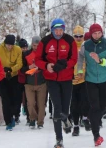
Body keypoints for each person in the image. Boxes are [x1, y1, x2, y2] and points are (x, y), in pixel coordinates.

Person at [35, 18, 77, 148]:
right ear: (52, 30)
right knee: (57, 109)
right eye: (56, 30)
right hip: (51, 79)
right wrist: (46, 65)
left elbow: (74, 58)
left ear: (64, 30)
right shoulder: (45, 41)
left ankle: (66, 119)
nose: (58, 33)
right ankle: (59, 139)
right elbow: (37, 59)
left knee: (65, 108)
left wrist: (65, 65)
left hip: (67, 79)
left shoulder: (70, 40)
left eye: (61, 30)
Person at [77, 23, 106, 146]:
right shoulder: (85, 45)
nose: (97, 35)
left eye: (99, 33)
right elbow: (80, 57)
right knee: (95, 107)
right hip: (90, 80)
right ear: (91, 33)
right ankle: (96, 136)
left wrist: (100, 60)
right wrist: (80, 70)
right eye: (94, 33)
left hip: (105, 79)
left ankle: (90, 118)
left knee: (102, 108)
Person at [0, 34, 23, 131]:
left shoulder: (18, 49)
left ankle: (14, 114)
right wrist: (3, 71)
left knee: (15, 99)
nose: (9, 47)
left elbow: (20, 63)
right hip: (2, 77)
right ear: (5, 43)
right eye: (8, 45)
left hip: (14, 76)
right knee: (5, 100)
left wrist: (11, 69)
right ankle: (8, 121)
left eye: (11, 45)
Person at [20, 36, 47, 129]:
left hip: (42, 83)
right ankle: (32, 119)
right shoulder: (26, 54)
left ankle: (40, 122)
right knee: (30, 103)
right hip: (29, 83)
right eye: (34, 45)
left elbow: (47, 67)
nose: (36, 47)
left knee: (41, 103)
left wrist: (40, 67)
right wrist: (29, 67)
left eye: (38, 46)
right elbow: (21, 69)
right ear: (31, 44)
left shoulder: (44, 55)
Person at [71, 25, 91, 136]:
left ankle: (85, 118)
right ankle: (75, 126)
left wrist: (85, 73)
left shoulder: (86, 46)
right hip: (72, 80)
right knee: (74, 105)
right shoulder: (70, 47)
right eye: (76, 36)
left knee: (85, 102)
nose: (78, 38)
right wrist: (70, 75)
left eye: (80, 36)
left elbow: (89, 62)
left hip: (84, 79)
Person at [17, 38, 30, 125]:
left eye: (26, 48)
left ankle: (28, 114)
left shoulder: (28, 55)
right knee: (18, 98)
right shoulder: (18, 55)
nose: (25, 49)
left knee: (27, 98)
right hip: (19, 80)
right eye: (23, 48)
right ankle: (16, 115)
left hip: (27, 79)